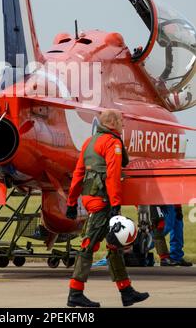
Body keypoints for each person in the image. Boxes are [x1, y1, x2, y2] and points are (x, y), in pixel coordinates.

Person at [65, 109, 150, 307]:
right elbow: (112, 175)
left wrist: (71, 203)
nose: (123, 124)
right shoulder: (113, 142)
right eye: (121, 120)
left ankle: (126, 292)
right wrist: (116, 204)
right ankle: (75, 292)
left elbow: (78, 174)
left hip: (90, 199)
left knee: (114, 245)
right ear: (112, 123)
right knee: (89, 245)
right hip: (103, 202)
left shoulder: (89, 142)